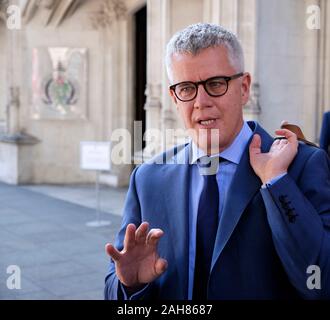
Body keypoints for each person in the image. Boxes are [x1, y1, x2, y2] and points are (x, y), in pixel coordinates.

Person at [104, 23, 330, 300]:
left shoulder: (302, 166)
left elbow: (321, 280)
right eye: (187, 88)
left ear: (244, 88)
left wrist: (277, 183)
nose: (201, 102)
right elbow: (115, 290)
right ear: (174, 98)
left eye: (215, 84)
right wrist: (130, 285)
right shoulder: (147, 178)